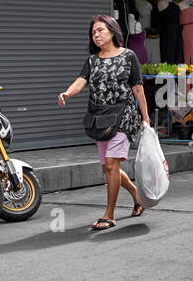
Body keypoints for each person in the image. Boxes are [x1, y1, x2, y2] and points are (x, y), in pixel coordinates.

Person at [58, 15, 152, 231]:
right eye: (93, 32)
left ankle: (109, 214)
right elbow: (81, 81)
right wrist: (67, 94)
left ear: (112, 31)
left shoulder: (129, 56)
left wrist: (145, 118)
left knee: (111, 164)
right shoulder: (93, 60)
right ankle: (137, 196)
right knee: (109, 168)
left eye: (100, 30)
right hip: (100, 118)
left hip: (123, 116)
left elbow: (138, 88)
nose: (97, 35)